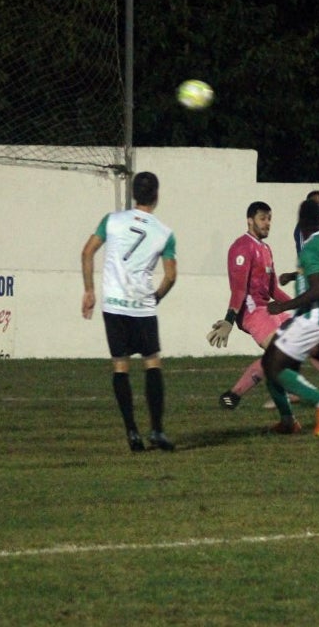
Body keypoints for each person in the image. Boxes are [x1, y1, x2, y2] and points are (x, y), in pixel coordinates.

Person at [207, 201, 319, 410]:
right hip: (251, 312)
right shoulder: (241, 247)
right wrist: (229, 320)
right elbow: (239, 290)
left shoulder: (265, 248)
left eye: (269, 219)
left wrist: (294, 308)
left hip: (268, 309)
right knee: (279, 355)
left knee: (308, 341)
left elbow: (273, 289)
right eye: (262, 219)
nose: (267, 223)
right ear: (250, 220)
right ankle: (304, 400)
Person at [81, 171, 177, 452]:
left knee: (120, 365)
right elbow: (170, 275)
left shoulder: (111, 221)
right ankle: (157, 431)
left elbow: (87, 252)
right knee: (152, 362)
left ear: (134, 194)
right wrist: (155, 297)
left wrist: (89, 290)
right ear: (156, 195)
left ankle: (132, 433)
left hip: (114, 304)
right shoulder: (164, 232)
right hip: (142, 306)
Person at [260, 199, 319, 436]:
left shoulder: (311, 248)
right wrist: (294, 277)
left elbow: (317, 289)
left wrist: (283, 305)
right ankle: (287, 421)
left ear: (302, 222)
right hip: (317, 315)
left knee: (275, 366)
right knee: (270, 362)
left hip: (313, 316)